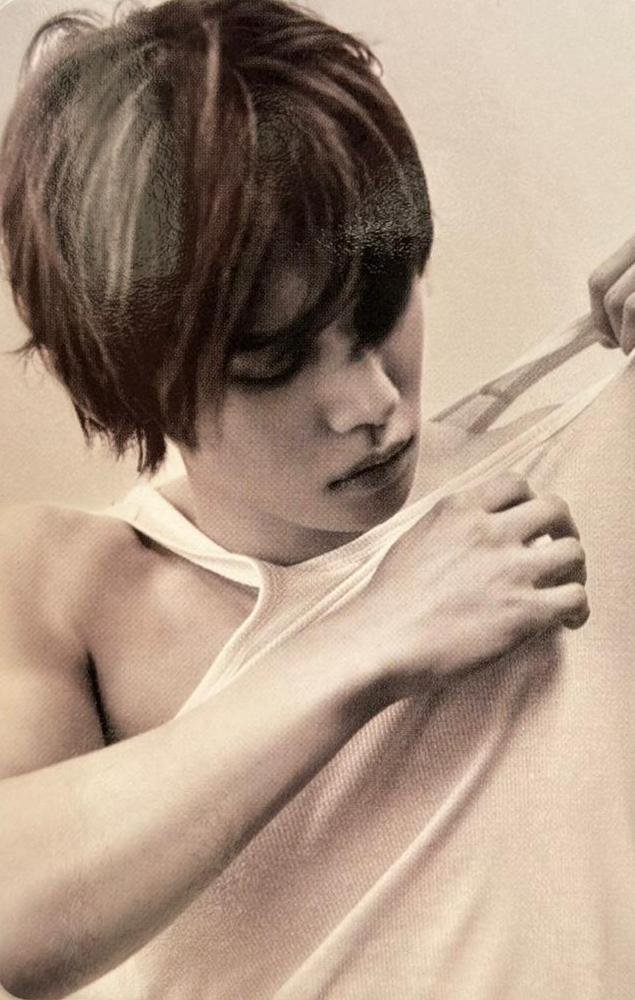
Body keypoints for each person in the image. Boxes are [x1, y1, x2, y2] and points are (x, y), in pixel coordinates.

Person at [0, 1, 633, 998]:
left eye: (379, 314)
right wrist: (369, 634)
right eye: (278, 363)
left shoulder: (558, 475)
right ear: (134, 371)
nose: (372, 403)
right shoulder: (65, 582)